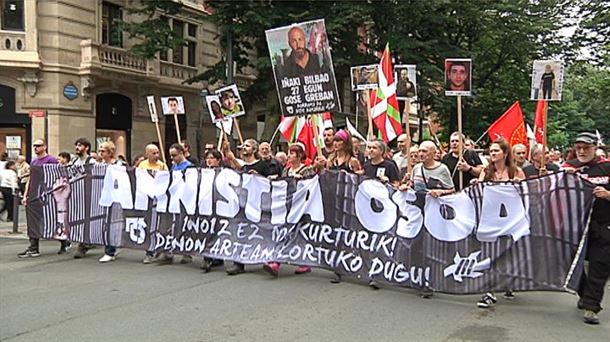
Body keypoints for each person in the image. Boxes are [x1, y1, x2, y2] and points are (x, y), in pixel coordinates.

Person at [563, 132, 610, 325]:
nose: (582, 151)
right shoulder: (569, 168)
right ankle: (584, 293)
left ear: (595, 148)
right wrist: (563, 179)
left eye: (586, 148)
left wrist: (608, 194)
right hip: (576, 227)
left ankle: (592, 307)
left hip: (603, 226)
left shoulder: (607, 167)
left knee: (600, 266)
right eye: (578, 148)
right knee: (570, 262)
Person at [475, 139, 525, 309]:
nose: (493, 153)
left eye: (496, 150)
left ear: (505, 153)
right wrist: (477, 185)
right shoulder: (486, 171)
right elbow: (479, 192)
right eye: (491, 151)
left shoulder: (515, 171)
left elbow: (527, 194)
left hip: (510, 221)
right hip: (490, 219)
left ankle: (508, 280)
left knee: (507, 253)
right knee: (490, 253)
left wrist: (520, 186)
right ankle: (489, 291)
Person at [263, 143, 317, 277]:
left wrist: (302, 179)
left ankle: (303, 262)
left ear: (299, 156)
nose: (289, 155)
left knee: (300, 234)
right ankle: (276, 261)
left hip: (302, 207)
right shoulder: (286, 170)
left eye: (292, 153)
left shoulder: (306, 170)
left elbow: (312, 186)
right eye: (289, 153)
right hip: (288, 206)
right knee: (284, 231)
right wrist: (276, 179)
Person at [225, 138, 270, 276]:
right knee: (241, 233)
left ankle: (267, 259)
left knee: (262, 232)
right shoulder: (243, 167)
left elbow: (271, 182)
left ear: (254, 150)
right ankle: (239, 263)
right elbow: (238, 169)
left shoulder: (262, 165)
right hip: (243, 204)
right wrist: (229, 155)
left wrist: (259, 177)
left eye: (247, 146)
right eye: (243, 146)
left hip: (258, 205)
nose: (244, 148)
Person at [18, 139, 70, 257]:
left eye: (38, 145)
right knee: (33, 221)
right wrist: (26, 194)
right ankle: (33, 247)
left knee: (51, 219)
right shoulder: (34, 161)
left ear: (45, 147)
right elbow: (30, 179)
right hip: (34, 193)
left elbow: (56, 176)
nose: (36, 148)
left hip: (47, 193)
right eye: (34, 146)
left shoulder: (51, 160)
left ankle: (64, 241)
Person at [138, 144, 168, 264]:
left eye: (157, 153)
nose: (156, 155)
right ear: (147, 154)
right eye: (153, 153)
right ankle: (149, 252)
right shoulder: (142, 165)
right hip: (146, 201)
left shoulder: (162, 165)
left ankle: (160, 250)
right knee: (148, 226)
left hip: (159, 200)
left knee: (159, 226)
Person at [97, 141, 126, 263]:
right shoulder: (99, 165)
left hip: (115, 198)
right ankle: (111, 247)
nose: (100, 153)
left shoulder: (118, 165)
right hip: (103, 197)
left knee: (113, 224)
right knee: (105, 224)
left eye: (103, 151)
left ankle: (110, 250)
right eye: (100, 150)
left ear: (110, 152)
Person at [69, 138, 97, 259]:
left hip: (87, 194)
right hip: (76, 194)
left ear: (86, 147)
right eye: (76, 145)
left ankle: (83, 244)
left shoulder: (92, 161)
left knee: (87, 219)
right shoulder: (75, 161)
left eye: (80, 146)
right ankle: (83, 240)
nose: (77, 148)